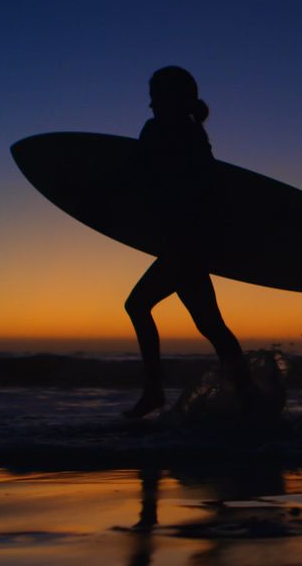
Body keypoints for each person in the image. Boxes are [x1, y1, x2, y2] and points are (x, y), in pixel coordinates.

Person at [122, 66, 254, 419]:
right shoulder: (194, 132)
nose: (149, 104)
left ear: (170, 98)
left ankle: (154, 392)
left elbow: (144, 178)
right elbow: (211, 190)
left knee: (137, 306)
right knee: (210, 325)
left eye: (154, 96)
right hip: (194, 242)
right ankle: (250, 396)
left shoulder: (167, 131)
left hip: (184, 244)